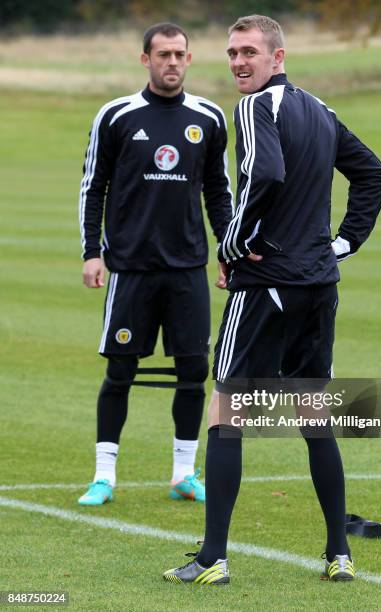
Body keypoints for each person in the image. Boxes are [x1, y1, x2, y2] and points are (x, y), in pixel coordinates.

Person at [164, 15, 381, 584]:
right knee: (315, 417)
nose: (239, 62)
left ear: (278, 56)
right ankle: (340, 552)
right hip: (318, 285)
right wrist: (342, 244)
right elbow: (373, 174)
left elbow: (263, 171)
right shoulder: (321, 111)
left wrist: (234, 245)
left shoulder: (256, 107)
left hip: (269, 285)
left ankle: (213, 558)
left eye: (249, 52)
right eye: (232, 52)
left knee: (227, 415)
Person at [77, 22, 233, 506]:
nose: (171, 62)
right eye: (163, 54)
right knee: (120, 371)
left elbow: (218, 193)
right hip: (130, 268)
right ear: (145, 59)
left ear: (189, 60)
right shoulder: (116, 115)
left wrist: (227, 254)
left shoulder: (208, 117)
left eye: (180, 54)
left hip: (187, 268)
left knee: (192, 371)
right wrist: (91, 251)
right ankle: (104, 476)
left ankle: (184, 473)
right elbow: (93, 186)